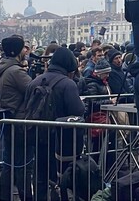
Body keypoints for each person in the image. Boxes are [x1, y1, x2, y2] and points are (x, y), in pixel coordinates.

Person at [24, 47, 86, 200]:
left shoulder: (35, 81)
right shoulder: (68, 84)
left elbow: (27, 106)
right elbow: (77, 110)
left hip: (38, 134)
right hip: (61, 138)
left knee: (39, 174)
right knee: (62, 176)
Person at [0, 34, 33, 201]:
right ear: (18, 51)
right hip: (20, 122)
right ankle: (26, 197)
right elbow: (33, 90)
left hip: (11, 120)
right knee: (23, 165)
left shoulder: (4, 68)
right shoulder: (16, 71)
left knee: (10, 165)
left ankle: (5, 197)